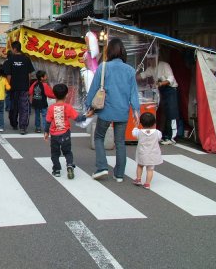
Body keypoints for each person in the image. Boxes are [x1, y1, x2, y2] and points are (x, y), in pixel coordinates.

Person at [86, 38, 140, 182]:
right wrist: (136, 110)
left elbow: (93, 89)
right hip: (122, 111)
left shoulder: (103, 67)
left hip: (105, 110)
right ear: (123, 52)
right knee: (120, 142)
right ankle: (119, 174)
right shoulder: (130, 70)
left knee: (98, 137)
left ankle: (102, 167)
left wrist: (88, 107)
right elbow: (134, 92)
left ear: (109, 51)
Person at [44, 84, 89, 178]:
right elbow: (77, 118)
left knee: (55, 153)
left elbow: (48, 121)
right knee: (67, 152)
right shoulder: (68, 107)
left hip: (54, 135)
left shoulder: (51, 108)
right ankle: (69, 165)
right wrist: (87, 116)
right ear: (66, 95)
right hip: (65, 134)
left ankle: (56, 170)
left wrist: (46, 132)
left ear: (54, 95)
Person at [138, 55, 179, 145]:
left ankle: (172, 137)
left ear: (156, 59)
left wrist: (160, 83)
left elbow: (170, 79)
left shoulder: (164, 65)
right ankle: (165, 135)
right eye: (149, 60)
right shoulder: (150, 68)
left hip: (171, 90)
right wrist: (132, 76)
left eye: (152, 59)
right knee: (164, 113)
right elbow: (142, 75)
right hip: (162, 91)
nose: (151, 62)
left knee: (171, 113)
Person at [4, 41, 35, 135]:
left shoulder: (9, 60)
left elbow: (8, 75)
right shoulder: (26, 59)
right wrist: (27, 84)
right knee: (24, 107)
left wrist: (8, 87)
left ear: (14, 49)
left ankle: (14, 124)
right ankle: (23, 127)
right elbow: (29, 74)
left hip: (13, 88)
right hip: (24, 87)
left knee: (13, 106)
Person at [132, 112, 163, 190]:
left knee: (140, 166)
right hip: (152, 154)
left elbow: (133, 133)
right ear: (154, 123)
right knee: (150, 169)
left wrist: (136, 126)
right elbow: (159, 138)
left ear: (141, 123)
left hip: (142, 153)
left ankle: (138, 179)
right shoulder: (158, 133)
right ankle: (147, 184)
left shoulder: (139, 132)